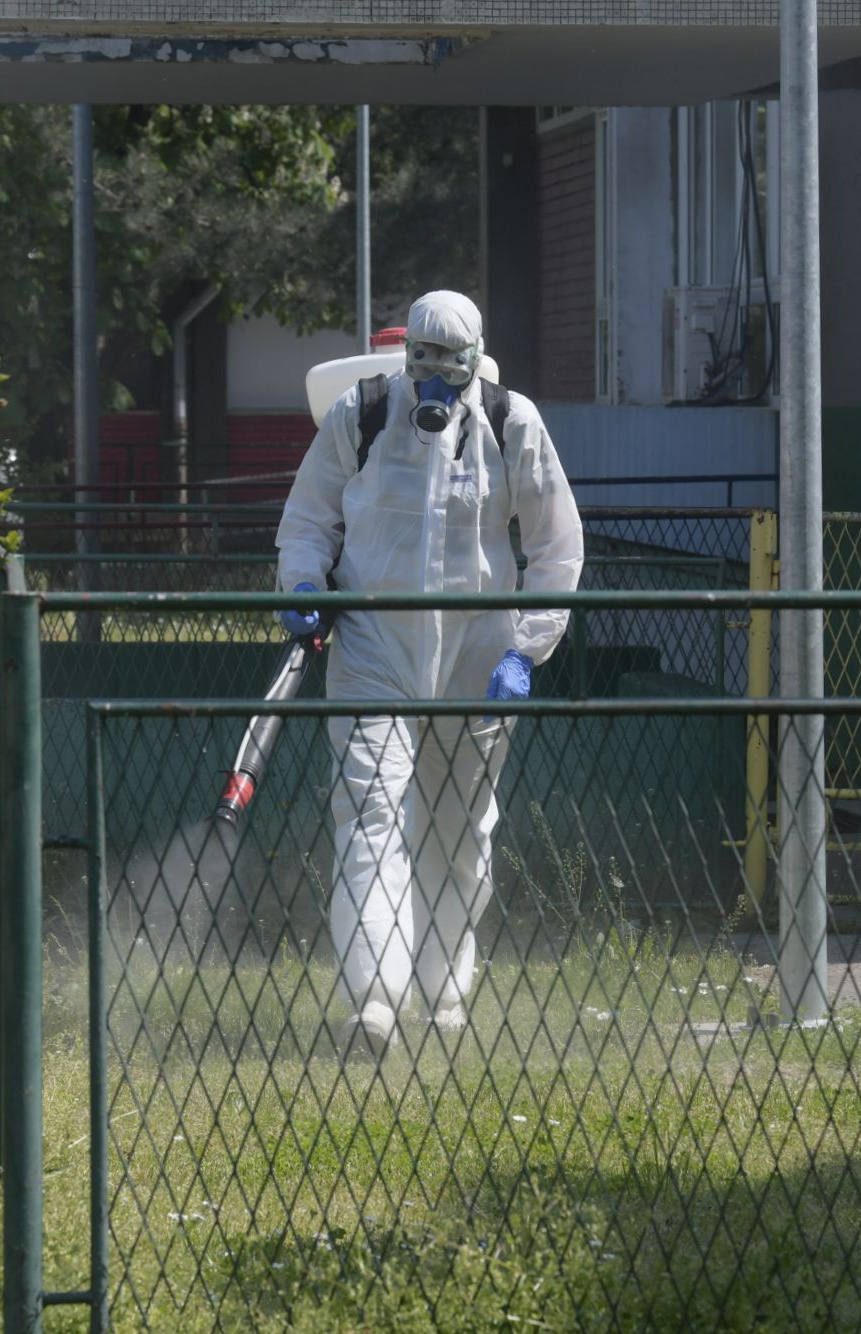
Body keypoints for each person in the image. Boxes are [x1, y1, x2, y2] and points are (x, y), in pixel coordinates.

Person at [276, 290, 584, 1058]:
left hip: (479, 658)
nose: (433, 383)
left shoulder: (514, 424)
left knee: (459, 831)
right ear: (405, 354)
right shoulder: (366, 412)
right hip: (375, 649)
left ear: (476, 360)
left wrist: (526, 648)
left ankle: (445, 995)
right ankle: (375, 1004)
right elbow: (310, 515)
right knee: (372, 819)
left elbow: (557, 548)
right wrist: (306, 585)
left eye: (449, 366)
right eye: (422, 362)